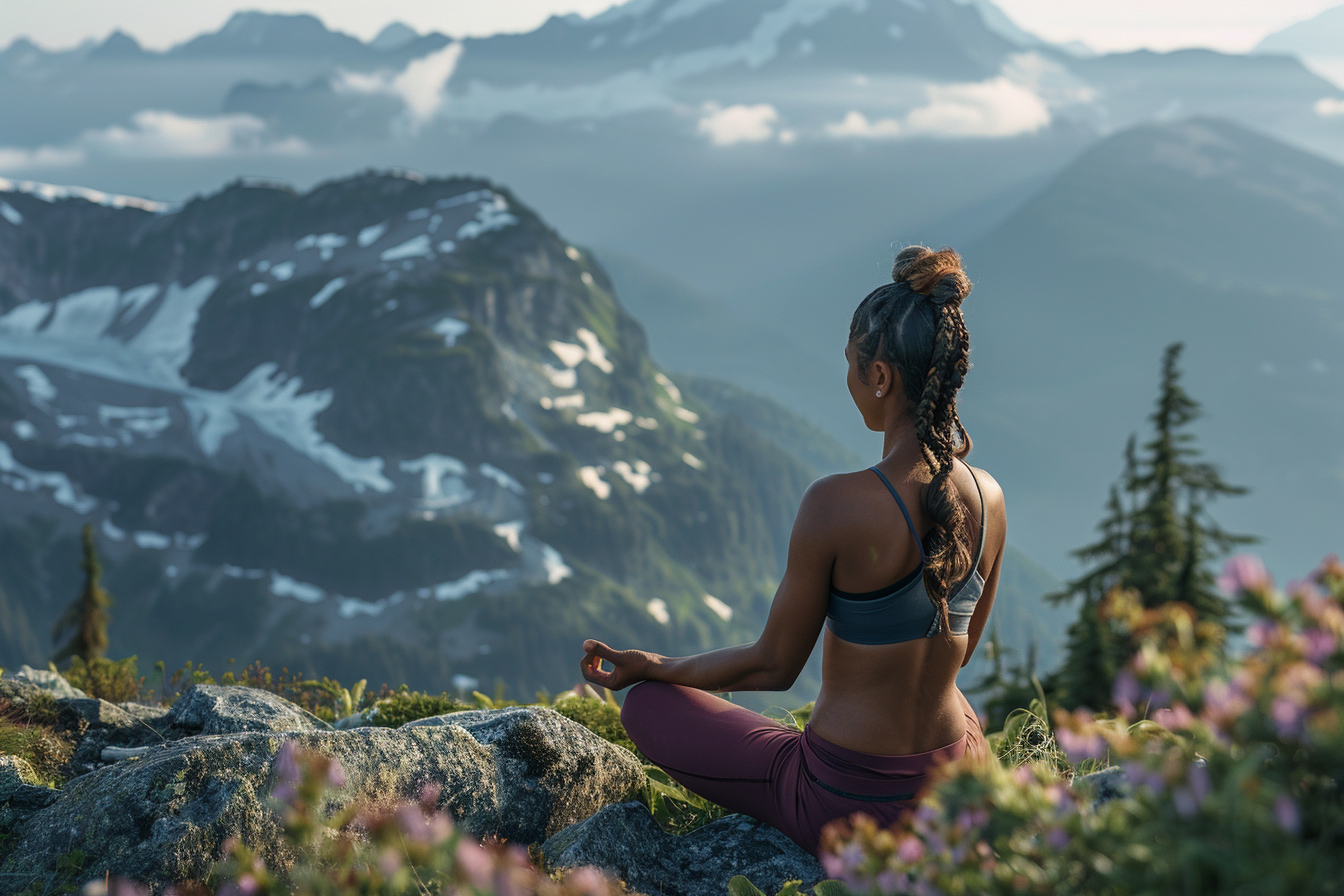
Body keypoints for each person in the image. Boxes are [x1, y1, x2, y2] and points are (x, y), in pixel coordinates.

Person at [579, 245, 1007, 856]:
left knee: (648, 707)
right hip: (959, 782)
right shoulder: (990, 499)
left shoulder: (835, 504)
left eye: (851, 365)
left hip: (845, 800)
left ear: (880, 376)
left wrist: (654, 666)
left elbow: (772, 667)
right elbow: (956, 657)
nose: (850, 379)